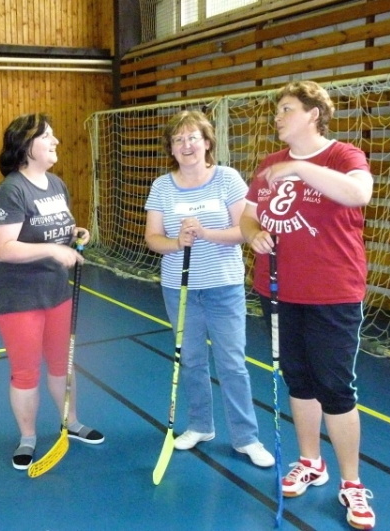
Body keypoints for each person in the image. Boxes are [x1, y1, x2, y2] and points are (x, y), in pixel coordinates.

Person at [240, 81, 375, 529]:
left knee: (334, 386)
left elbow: (358, 194)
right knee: (297, 379)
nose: (278, 117)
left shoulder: (343, 156)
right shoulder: (269, 164)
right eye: (277, 110)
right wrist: (252, 234)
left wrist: (300, 169)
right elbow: (248, 215)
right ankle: (311, 461)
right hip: (278, 290)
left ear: (313, 113)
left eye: (286, 109)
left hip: (332, 292)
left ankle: (352, 482)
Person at [144, 110, 274, 468]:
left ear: (206, 142)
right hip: (180, 288)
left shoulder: (227, 178)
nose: (186, 145)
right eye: (178, 139)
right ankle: (201, 426)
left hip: (223, 286)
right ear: (171, 148)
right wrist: (177, 242)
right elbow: (152, 237)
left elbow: (244, 229)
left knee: (232, 363)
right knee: (191, 360)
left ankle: (246, 438)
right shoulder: (162, 186)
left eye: (193, 137)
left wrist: (204, 233)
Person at [0, 113, 104, 470]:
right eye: (47, 136)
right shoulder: (10, 191)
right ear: (26, 145)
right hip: (17, 297)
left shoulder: (56, 184)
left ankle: (72, 422)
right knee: (26, 372)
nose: (56, 141)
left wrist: (75, 233)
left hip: (55, 291)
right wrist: (53, 249)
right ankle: (28, 438)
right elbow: (3, 248)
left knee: (62, 363)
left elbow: (56, 226)